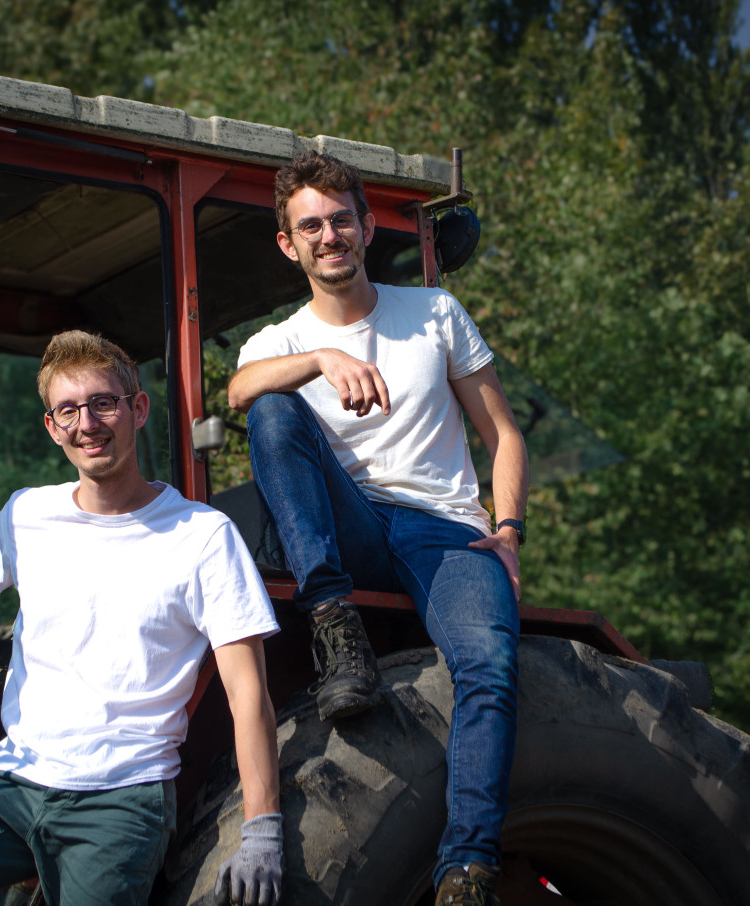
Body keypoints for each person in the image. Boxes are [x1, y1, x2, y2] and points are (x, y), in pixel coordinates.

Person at [0, 331, 284, 906]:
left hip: (120, 797)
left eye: (103, 403)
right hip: (14, 784)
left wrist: (261, 829)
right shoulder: (28, 514)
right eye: (68, 410)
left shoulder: (202, 536)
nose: (88, 424)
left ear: (137, 409)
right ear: (52, 427)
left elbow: (247, 690)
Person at [227, 151, 527, 906]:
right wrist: (321, 358)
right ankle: (334, 623)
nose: (329, 235)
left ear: (364, 226)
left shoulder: (433, 313)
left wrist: (511, 529)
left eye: (340, 219)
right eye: (310, 226)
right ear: (288, 245)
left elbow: (504, 435)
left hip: (442, 528)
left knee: (490, 664)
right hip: (351, 528)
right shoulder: (280, 340)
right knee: (271, 409)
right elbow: (237, 391)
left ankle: (466, 870)